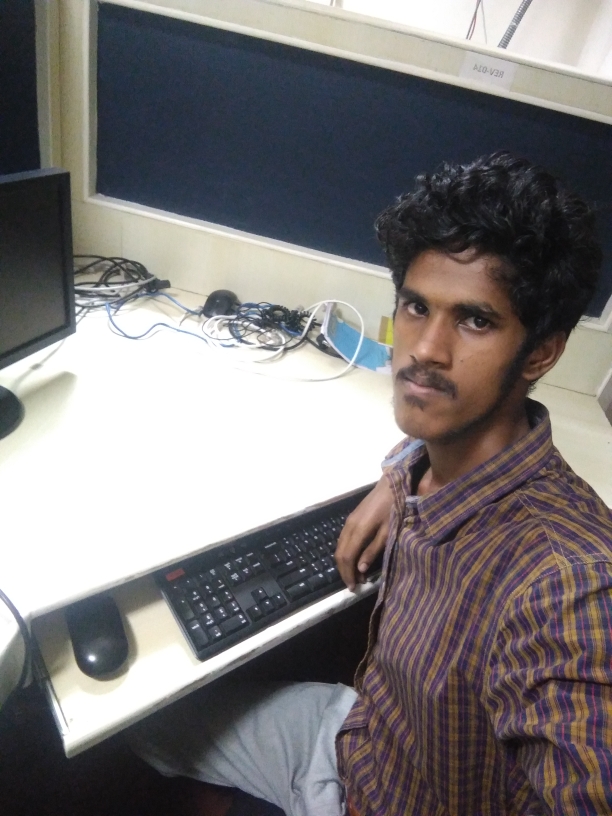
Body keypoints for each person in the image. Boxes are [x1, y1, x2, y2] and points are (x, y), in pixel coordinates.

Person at [129, 152, 612, 815]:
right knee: (142, 728)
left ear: (542, 351)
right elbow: (427, 428)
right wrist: (397, 478)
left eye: (475, 320)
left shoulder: (566, 586)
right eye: (416, 307)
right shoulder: (437, 455)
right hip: (358, 739)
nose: (424, 350)